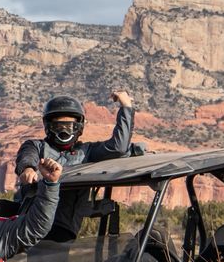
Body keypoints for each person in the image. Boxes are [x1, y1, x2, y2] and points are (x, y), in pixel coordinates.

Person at [13, 92, 136, 235]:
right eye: (58, 126)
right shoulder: (36, 146)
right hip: (31, 223)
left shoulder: (87, 151)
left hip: (63, 229)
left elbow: (118, 148)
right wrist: (28, 169)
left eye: (69, 126)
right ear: (48, 126)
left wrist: (126, 107)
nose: (64, 131)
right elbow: (27, 157)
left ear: (78, 127)